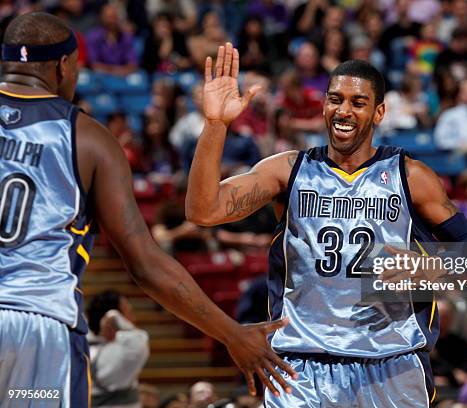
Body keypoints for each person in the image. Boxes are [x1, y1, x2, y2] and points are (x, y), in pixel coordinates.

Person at [0, 12, 296, 406]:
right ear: (64, 65)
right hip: (40, 328)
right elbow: (145, 265)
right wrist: (232, 333)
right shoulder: (87, 138)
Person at [186, 42, 467, 407]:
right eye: (335, 99)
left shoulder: (411, 177)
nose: (343, 110)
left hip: (391, 364)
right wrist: (215, 124)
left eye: (357, 103)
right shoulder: (288, 170)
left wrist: (424, 270)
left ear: (379, 112)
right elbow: (203, 210)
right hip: (300, 366)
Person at [86, 290, 149, 408]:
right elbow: (140, 343)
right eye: (129, 312)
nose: (133, 318)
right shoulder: (118, 353)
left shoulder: (84, 346)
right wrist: (113, 316)